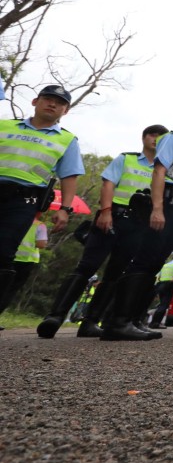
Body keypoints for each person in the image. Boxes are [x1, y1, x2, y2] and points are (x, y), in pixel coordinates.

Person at [36, 124, 169, 339]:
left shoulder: (166, 170)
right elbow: (108, 185)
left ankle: (90, 322)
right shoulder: (127, 159)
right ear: (143, 137)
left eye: (162, 136)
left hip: (138, 226)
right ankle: (55, 316)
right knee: (87, 266)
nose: (156, 139)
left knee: (115, 274)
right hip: (112, 217)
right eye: (152, 134)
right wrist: (106, 212)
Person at [101, 104, 173, 341]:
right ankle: (117, 321)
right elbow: (159, 172)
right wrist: (157, 208)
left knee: (153, 264)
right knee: (143, 261)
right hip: (165, 205)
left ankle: (133, 319)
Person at [0, 85, 84, 314]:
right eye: (48, 99)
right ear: (35, 101)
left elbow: (69, 176)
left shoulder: (67, 140)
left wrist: (65, 208)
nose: (52, 104)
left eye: (59, 102)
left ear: (65, 111)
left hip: (23, 202)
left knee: (4, 254)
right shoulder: (5, 125)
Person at [0, 214, 48, 317]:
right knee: (11, 290)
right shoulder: (40, 225)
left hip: (8, 256)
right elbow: (41, 244)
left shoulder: (13, 218)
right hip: (26, 261)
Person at [148, 251, 173, 329]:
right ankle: (156, 323)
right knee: (164, 305)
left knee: (161, 304)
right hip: (169, 285)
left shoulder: (165, 265)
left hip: (161, 284)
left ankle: (154, 323)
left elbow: (158, 276)